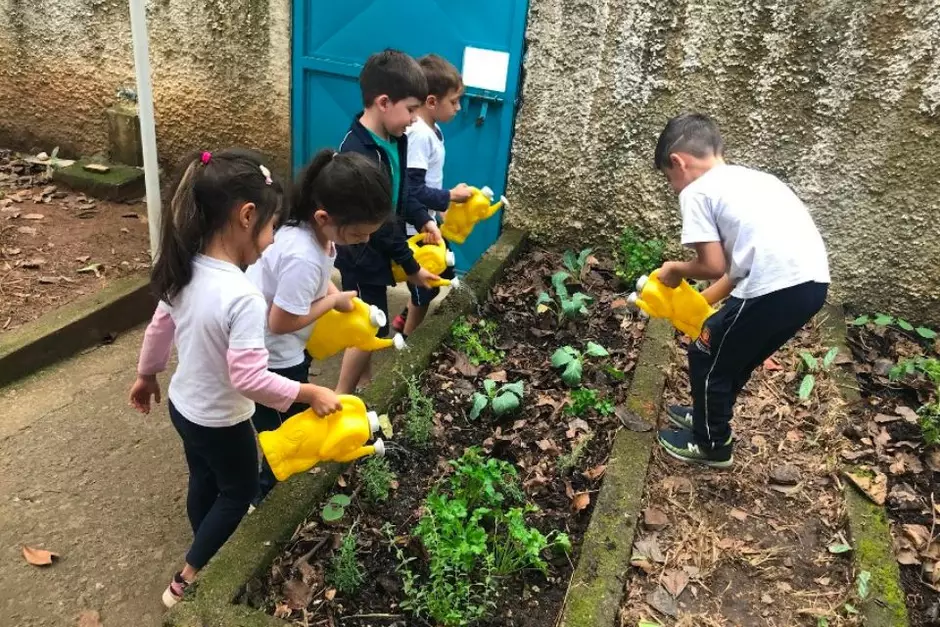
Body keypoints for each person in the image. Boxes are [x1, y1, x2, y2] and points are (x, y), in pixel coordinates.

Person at [128, 149, 343, 608]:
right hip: (222, 419)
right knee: (240, 490)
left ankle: (204, 540)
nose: (270, 241)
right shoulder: (243, 297)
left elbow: (158, 329)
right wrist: (308, 392)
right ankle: (185, 578)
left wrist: (146, 376)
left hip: (184, 408)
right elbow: (249, 379)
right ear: (247, 217)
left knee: (203, 478)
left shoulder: (182, 268)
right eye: (270, 227)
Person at [652, 113, 830, 468]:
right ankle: (707, 418)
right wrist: (695, 304)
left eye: (669, 179)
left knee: (706, 352)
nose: (674, 188)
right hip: (810, 285)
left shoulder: (696, 191)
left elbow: (712, 265)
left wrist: (674, 271)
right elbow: (733, 272)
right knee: (731, 356)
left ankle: (712, 443)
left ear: (678, 162)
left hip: (773, 286)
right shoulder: (753, 181)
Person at [245, 149, 391, 503]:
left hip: (283, 348)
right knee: (290, 434)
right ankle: (262, 497)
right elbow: (279, 321)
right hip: (273, 355)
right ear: (324, 216)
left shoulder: (311, 233)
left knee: (290, 423)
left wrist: (334, 293)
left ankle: (267, 485)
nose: (364, 241)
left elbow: (318, 279)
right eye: (357, 234)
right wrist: (331, 302)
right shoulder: (303, 256)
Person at [334, 49, 441, 394]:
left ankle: (362, 385)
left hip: (379, 248)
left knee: (370, 322)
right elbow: (380, 222)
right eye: (411, 110)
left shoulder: (397, 139)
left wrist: (424, 219)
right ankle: (342, 397)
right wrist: (410, 267)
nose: (414, 119)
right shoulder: (359, 154)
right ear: (383, 102)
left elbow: (403, 193)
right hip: (361, 253)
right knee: (370, 326)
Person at [390, 53, 472, 337]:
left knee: (442, 274)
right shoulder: (419, 135)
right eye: (454, 101)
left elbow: (427, 180)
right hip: (416, 226)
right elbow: (411, 189)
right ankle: (409, 342)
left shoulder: (433, 130)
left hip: (428, 221)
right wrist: (448, 196)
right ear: (432, 102)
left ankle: (405, 319)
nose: (459, 108)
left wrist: (443, 207)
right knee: (427, 284)